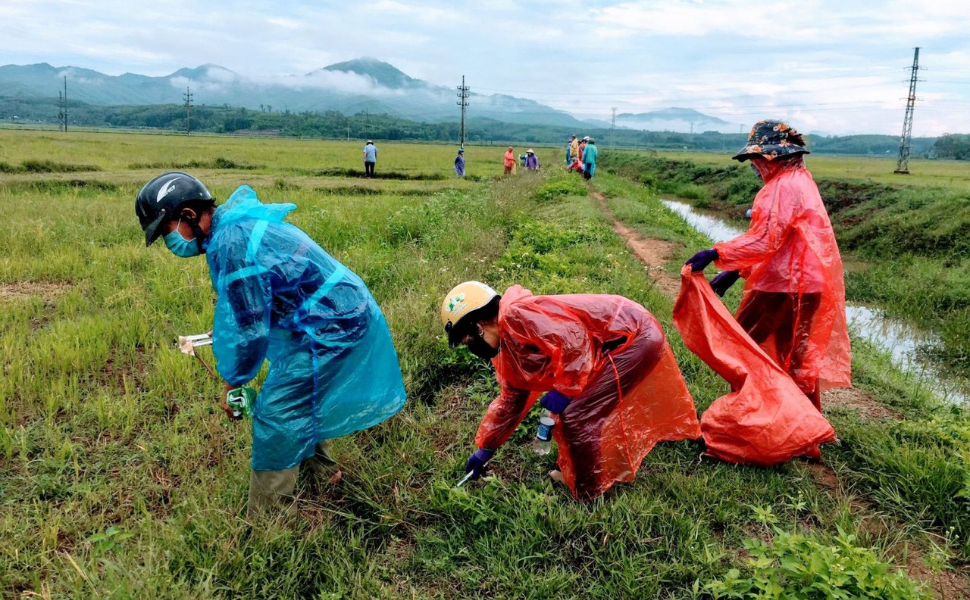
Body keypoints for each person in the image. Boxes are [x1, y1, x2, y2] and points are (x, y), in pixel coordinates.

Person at [135, 172, 407, 517]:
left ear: (188, 215)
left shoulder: (229, 243)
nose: (169, 241)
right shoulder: (233, 228)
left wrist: (234, 383)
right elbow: (255, 304)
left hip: (333, 325)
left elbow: (251, 332)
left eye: (166, 231)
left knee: (277, 412)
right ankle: (324, 476)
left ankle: (268, 521)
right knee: (300, 395)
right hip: (338, 312)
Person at [440, 281, 701, 501]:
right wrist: (486, 448)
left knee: (577, 413)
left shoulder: (517, 315)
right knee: (575, 411)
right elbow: (512, 400)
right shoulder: (506, 345)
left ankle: (587, 492)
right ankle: (579, 474)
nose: (472, 349)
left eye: (468, 342)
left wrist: (566, 390)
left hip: (632, 338)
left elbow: (574, 341)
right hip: (612, 345)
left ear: (477, 327)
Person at [684, 120, 851, 410]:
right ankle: (802, 424)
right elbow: (787, 244)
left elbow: (765, 240)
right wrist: (735, 271)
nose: (755, 166)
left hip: (782, 286)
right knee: (793, 357)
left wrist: (715, 253)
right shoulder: (801, 181)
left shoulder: (782, 187)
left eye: (756, 159)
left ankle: (751, 416)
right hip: (806, 285)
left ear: (772, 157)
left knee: (742, 349)